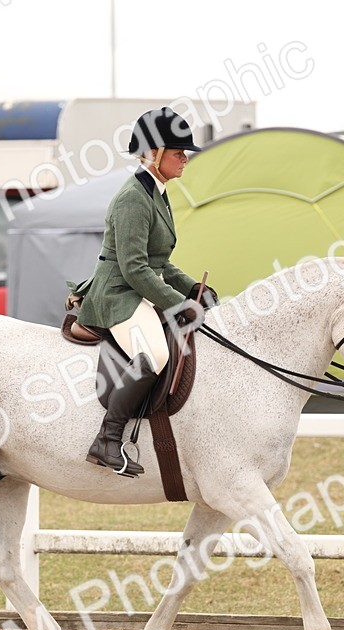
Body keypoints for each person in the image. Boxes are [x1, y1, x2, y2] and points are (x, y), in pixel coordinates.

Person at [67, 107, 217, 478]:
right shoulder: (134, 197)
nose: (186, 158)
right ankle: (107, 439)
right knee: (155, 353)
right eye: (178, 151)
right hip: (116, 294)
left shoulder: (157, 192)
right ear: (153, 153)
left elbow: (158, 263)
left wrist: (192, 288)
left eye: (185, 152)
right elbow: (134, 268)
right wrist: (176, 303)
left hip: (134, 286)